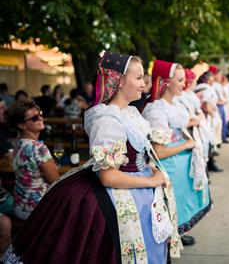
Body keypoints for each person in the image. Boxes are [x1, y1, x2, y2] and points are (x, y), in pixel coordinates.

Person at [2, 52, 179, 264]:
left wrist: (150, 171)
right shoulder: (107, 119)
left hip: (137, 187)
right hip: (115, 193)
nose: (144, 84)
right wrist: (150, 181)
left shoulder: (130, 113)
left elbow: (136, 156)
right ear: (120, 81)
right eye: (139, 78)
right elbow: (108, 177)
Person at [142, 60, 212, 248]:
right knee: (171, 207)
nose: (184, 83)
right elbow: (158, 152)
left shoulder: (173, 104)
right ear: (165, 81)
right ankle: (170, 240)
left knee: (181, 205)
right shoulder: (156, 109)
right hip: (169, 166)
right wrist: (188, 144)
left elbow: (179, 125)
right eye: (180, 80)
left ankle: (178, 233)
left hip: (181, 165)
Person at [6, 101, 60, 220]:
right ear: (22, 125)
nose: (40, 118)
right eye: (35, 117)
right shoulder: (39, 148)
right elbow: (56, 182)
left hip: (19, 207)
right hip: (38, 209)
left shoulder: (16, 145)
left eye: (40, 114)